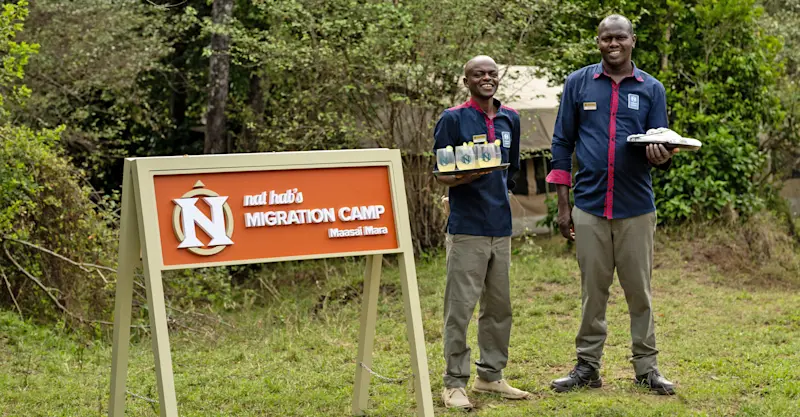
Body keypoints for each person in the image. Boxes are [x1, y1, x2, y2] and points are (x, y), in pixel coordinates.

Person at [545, 15, 677, 395]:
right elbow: (561, 144)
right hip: (588, 206)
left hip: (636, 207)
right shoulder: (578, 83)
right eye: (606, 38)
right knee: (593, 292)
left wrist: (661, 155)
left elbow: (662, 142)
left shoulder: (651, 88)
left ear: (633, 40)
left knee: (640, 291)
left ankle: (647, 369)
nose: (613, 44)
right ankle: (587, 367)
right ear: (598, 42)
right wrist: (563, 205)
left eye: (620, 37)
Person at [432, 55, 530, 409]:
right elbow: (440, 173)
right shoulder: (453, 118)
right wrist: (465, 178)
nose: (486, 78)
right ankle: (454, 382)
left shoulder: (510, 119)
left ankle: (490, 376)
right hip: (466, 229)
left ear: (498, 78)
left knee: (499, 307)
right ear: (467, 81)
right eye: (478, 74)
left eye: (491, 73)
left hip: (500, 228)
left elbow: (512, 170)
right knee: (460, 308)